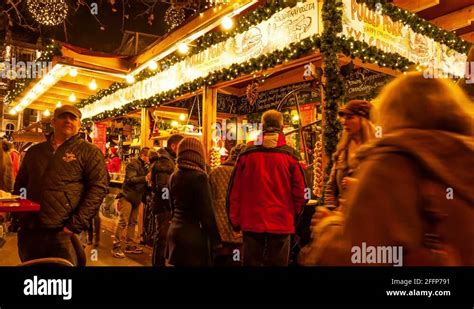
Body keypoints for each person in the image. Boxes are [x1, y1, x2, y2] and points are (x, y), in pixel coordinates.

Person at [307, 72, 474, 266]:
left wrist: (328, 226)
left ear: (392, 112)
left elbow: (357, 255)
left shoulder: (389, 164)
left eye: (350, 117)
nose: (345, 122)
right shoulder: (465, 157)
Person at [12, 105, 108, 266]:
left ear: (79, 123)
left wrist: (74, 225)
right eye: (63, 117)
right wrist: (21, 215)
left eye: (73, 118)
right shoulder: (35, 151)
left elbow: (98, 188)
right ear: (53, 122)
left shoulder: (89, 151)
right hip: (31, 230)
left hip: (64, 233)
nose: (68, 121)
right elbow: (21, 185)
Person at [227, 110, 308, 266]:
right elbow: (301, 193)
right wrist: (295, 218)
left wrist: (235, 223)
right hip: (281, 223)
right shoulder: (291, 156)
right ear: (282, 127)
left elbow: (234, 192)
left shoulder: (245, 154)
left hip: (252, 223)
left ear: (262, 127)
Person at [166, 137, 220, 266]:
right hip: (193, 236)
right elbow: (207, 213)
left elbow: (171, 206)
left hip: (175, 232)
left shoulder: (174, 176)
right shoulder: (200, 177)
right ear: (199, 154)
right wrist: (216, 240)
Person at [149, 134, 184, 266]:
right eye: (181, 146)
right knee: (162, 240)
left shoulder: (168, 160)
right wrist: (169, 206)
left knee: (163, 239)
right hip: (163, 208)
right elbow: (163, 188)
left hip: (163, 206)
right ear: (173, 146)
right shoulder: (165, 162)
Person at [209, 143, 246, 266]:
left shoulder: (215, 172)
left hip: (218, 228)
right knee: (236, 260)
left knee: (219, 260)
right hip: (238, 229)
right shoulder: (246, 173)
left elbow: (209, 198)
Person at [112, 147, 150, 258]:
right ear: (143, 155)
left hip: (137, 198)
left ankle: (129, 245)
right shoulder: (132, 165)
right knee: (123, 221)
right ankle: (116, 247)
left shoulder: (146, 166)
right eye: (148, 156)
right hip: (127, 196)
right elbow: (131, 179)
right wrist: (145, 178)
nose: (149, 159)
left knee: (133, 222)